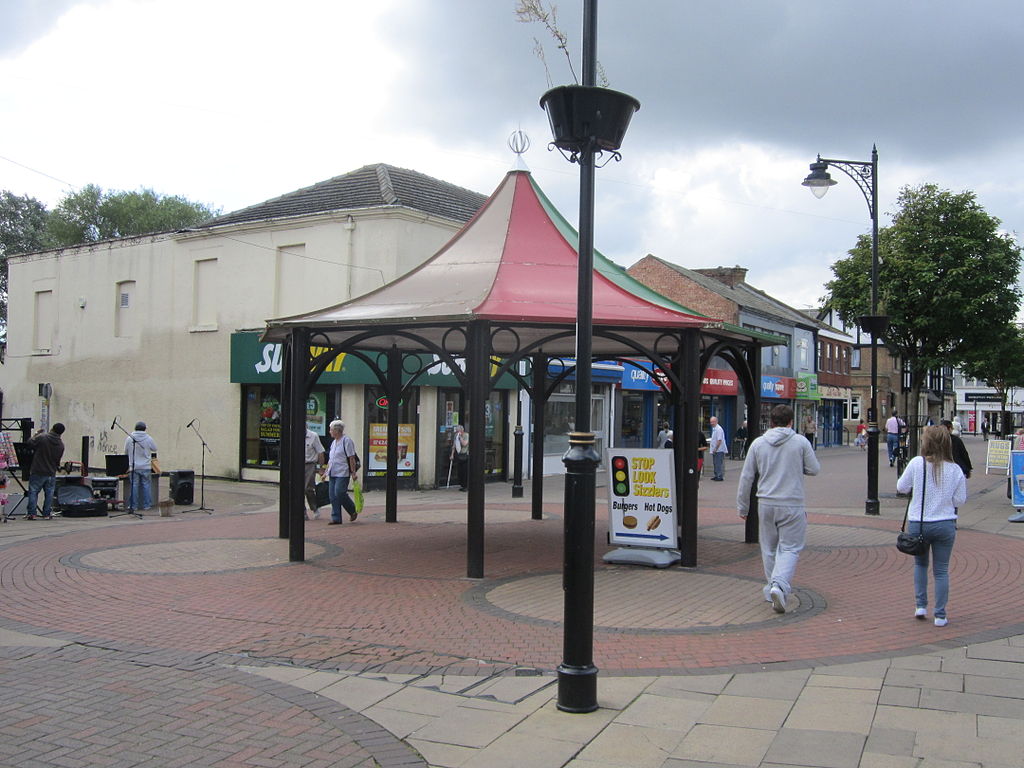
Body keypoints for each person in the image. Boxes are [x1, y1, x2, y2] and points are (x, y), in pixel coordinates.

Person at [737, 404, 820, 614]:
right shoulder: (800, 442)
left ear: (771, 422)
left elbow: (746, 477)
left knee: (769, 548)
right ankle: (779, 585)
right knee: (790, 548)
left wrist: (743, 506)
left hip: (765, 502)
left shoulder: (758, 444)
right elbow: (814, 469)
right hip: (792, 502)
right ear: (791, 421)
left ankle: (771, 589)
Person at [896, 425, 966, 627]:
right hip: (944, 524)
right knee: (941, 570)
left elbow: (901, 487)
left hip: (919, 522)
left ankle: (920, 605)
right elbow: (959, 500)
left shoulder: (917, 463)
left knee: (920, 564)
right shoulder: (954, 469)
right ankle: (940, 615)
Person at [25, 423, 66, 520]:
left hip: (38, 470)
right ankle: (47, 513)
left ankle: (32, 513)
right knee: (49, 493)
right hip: (51, 472)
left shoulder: (43, 438)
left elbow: (30, 443)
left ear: (52, 428)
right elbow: (57, 461)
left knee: (33, 492)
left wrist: (35, 434)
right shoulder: (61, 445)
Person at [326, 419, 359, 524]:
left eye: (331, 430)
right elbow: (331, 459)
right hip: (333, 472)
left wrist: (353, 472)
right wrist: (326, 471)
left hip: (343, 472)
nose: (329, 432)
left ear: (337, 430)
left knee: (339, 492)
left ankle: (352, 509)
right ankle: (336, 518)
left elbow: (351, 457)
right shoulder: (333, 443)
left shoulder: (346, 441)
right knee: (332, 496)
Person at [125, 421, 158, 512]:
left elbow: (126, 451)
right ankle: (146, 505)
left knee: (134, 486)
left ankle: (133, 506)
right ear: (144, 429)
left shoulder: (129, 438)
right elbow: (154, 448)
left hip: (134, 466)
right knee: (146, 486)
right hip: (146, 466)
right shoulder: (148, 438)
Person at [304, 428, 326, 520]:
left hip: (310, 465)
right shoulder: (294, 434)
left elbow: (320, 452)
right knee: (298, 490)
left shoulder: (313, 436)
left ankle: (314, 507)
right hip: (296, 464)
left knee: (308, 488)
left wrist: (321, 468)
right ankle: (303, 512)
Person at [709, 416, 728, 481]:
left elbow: (719, 440)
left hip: (719, 450)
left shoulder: (719, 429)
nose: (711, 423)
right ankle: (716, 475)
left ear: (716, 421)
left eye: (713, 422)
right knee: (715, 462)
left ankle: (719, 476)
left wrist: (715, 449)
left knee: (718, 463)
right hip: (716, 449)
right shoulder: (714, 429)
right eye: (711, 422)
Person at [451, 424, 469, 491]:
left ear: (462, 430)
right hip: (459, 454)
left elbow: (464, 444)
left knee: (465, 471)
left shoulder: (466, 435)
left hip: (465, 454)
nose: (457, 432)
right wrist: (452, 454)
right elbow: (454, 445)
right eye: (457, 431)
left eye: (458, 431)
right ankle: (462, 485)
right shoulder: (456, 436)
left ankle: (466, 486)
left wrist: (460, 437)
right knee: (460, 471)